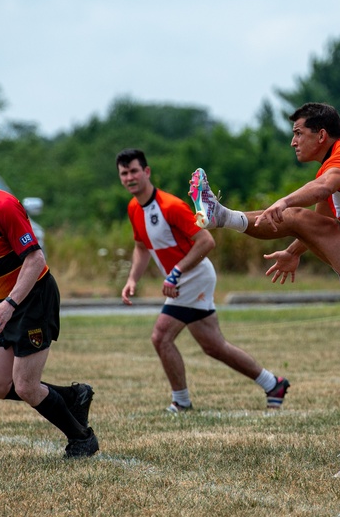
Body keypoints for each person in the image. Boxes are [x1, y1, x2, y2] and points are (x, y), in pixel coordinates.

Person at [188, 102, 340, 479]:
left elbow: (322, 189)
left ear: (321, 135)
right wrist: (295, 252)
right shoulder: (330, 162)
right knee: (293, 219)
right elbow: (322, 219)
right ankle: (220, 216)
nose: (293, 141)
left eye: (298, 133)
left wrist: (286, 200)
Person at [0, 155, 98, 458]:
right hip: (3, 303)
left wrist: (10, 304)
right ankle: (74, 396)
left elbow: (36, 259)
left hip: (33, 297)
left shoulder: (2, 206)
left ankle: (82, 439)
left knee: (25, 385)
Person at [116, 148, 290, 414]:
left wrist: (175, 273)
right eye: (124, 173)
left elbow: (206, 241)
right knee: (214, 346)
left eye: (134, 171)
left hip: (194, 276)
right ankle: (273, 384)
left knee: (160, 337)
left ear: (147, 172)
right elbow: (141, 247)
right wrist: (132, 279)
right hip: (184, 278)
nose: (130, 177)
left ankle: (181, 401)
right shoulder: (134, 208)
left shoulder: (171, 206)